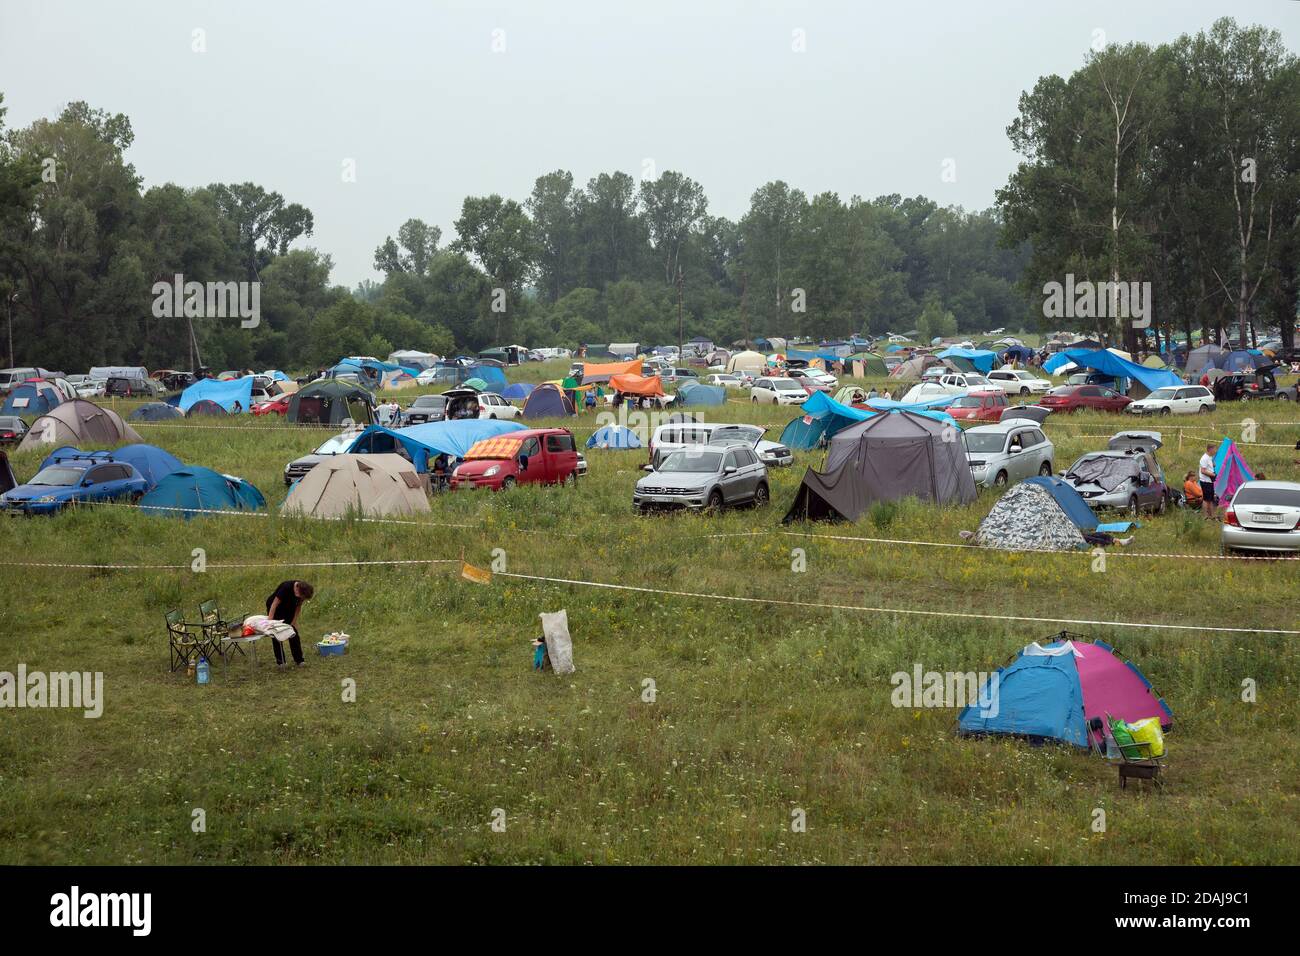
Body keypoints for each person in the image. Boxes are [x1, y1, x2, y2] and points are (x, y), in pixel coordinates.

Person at [265, 580, 314, 666]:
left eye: (303, 598)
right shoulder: (286, 587)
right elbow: (274, 604)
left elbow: (298, 607)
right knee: (276, 633)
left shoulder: (303, 593)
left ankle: (299, 660)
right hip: (275, 608)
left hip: (288, 607)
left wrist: (293, 621)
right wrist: (270, 622)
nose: (301, 598)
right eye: (301, 596)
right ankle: (281, 662)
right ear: (297, 588)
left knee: (293, 632)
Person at [1198, 443, 1218, 519]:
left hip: (1209, 481)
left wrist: (1213, 464)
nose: (1215, 451)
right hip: (1205, 481)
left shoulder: (1209, 457)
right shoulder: (1204, 458)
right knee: (1206, 499)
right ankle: (1206, 516)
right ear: (1210, 449)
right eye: (1214, 449)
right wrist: (1213, 475)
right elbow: (1203, 471)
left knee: (1210, 498)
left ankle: (1211, 515)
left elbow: (1211, 466)